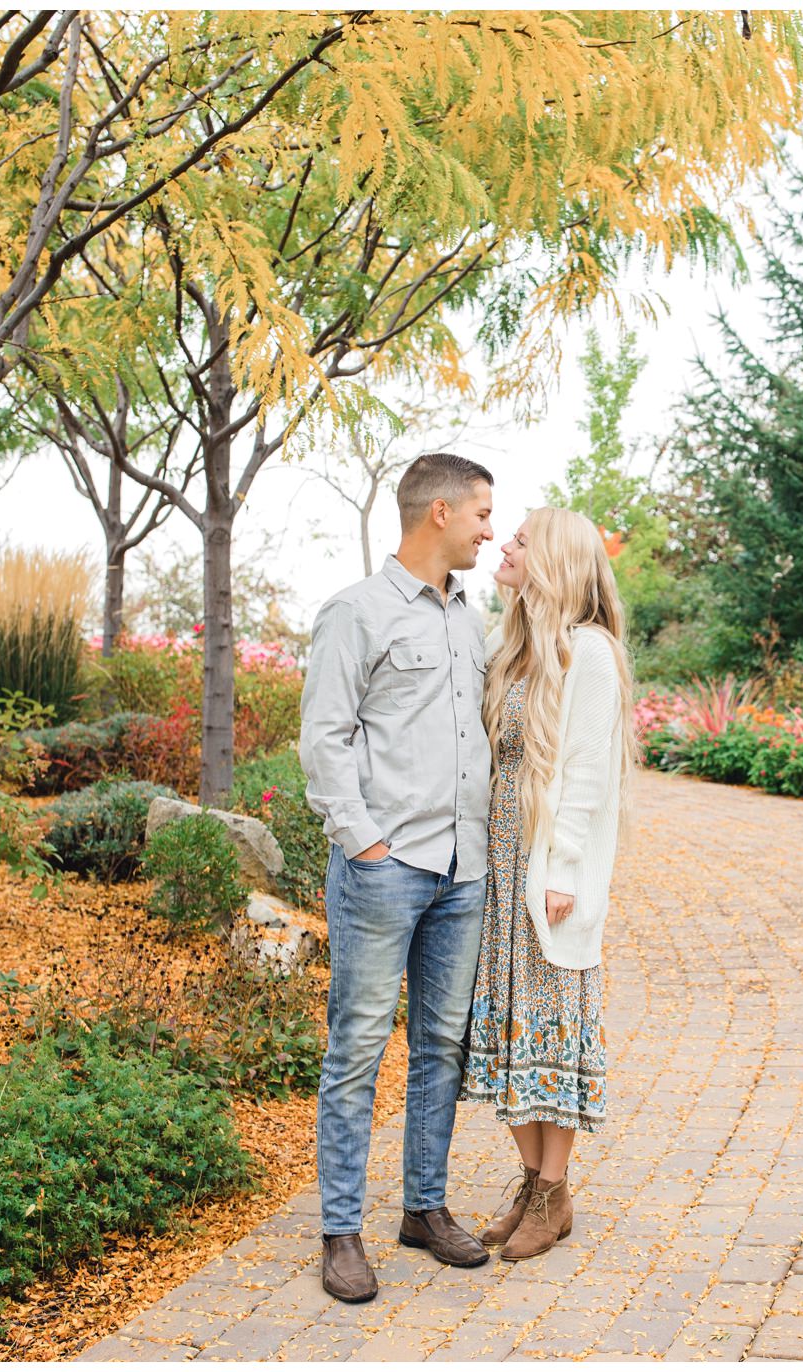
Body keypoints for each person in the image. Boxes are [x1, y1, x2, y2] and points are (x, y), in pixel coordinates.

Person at [297, 452, 497, 1303]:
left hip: (464, 870)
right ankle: (341, 1231)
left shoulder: (470, 619)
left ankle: (424, 1208)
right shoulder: (357, 612)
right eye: (483, 513)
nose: (491, 528)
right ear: (440, 513)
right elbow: (324, 739)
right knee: (358, 1050)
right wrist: (365, 844)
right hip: (388, 870)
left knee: (441, 1048)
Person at [459, 506, 634, 1262]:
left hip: (544, 880)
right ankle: (533, 1187)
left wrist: (562, 868)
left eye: (522, 540)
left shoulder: (587, 653)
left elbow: (589, 771)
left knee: (552, 1033)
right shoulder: (516, 648)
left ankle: (554, 1193)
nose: (504, 544)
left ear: (554, 560)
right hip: (498, 874)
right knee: (506, 1037)